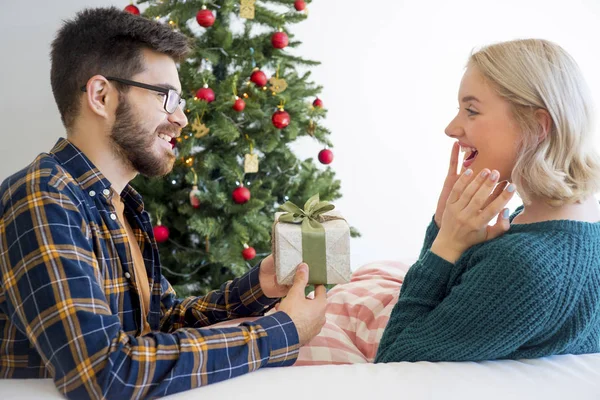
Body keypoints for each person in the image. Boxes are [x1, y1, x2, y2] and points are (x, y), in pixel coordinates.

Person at [0, 7, 326, 399]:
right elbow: (106, 373)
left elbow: (164, 321)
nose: (183, 120)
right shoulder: (42, 197)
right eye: (168, 98)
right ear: (101, 95)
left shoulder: (123, 206)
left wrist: (258, 286)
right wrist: (280, 332)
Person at [375, 38, 600, 362]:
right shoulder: (576, 219)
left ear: (537, 126)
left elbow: (392, 363)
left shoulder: (523, 265)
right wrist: (448, 227)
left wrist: (446, 244)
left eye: (471, 111)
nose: (451, 128)